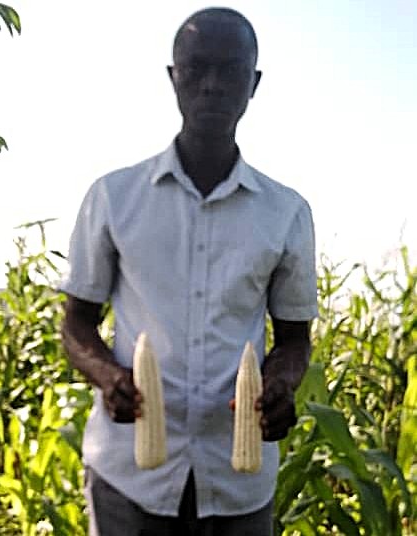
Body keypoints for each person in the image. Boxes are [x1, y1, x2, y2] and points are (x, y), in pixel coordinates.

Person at [60, 7, 318, 536]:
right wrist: (109, 377)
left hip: (237, 484)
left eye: (231, 70)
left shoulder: (286, 212)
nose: (212, 85)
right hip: (128, 478)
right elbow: (76, 323)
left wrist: (279, 384)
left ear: (254, 84)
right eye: (197, 68)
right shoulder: (113, 197)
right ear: (173, 76)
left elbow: (295, 339)